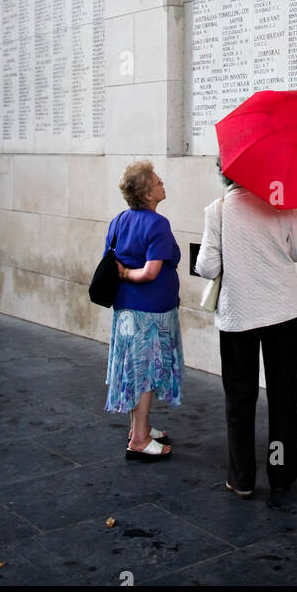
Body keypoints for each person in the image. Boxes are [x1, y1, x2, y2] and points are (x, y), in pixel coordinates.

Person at [195, 156, 297, 498]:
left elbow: (206, 266)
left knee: (240, 397)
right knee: (283, 395)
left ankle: (242, 478)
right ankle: (280, 473)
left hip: (239, 315)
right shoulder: (283, 201)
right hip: (284, 312)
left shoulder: (216, 210)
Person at [104, 159, 184, 460]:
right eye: (158, 181)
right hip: (148, 313)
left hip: (126, 310)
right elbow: (150, 273)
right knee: (146, 373)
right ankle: (138, 440)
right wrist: (128, 274)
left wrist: (124, 274)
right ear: (148, 194)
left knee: (135, 370)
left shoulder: (118, 220)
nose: (163, 184)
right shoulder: (157, 224)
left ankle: (142, 427)